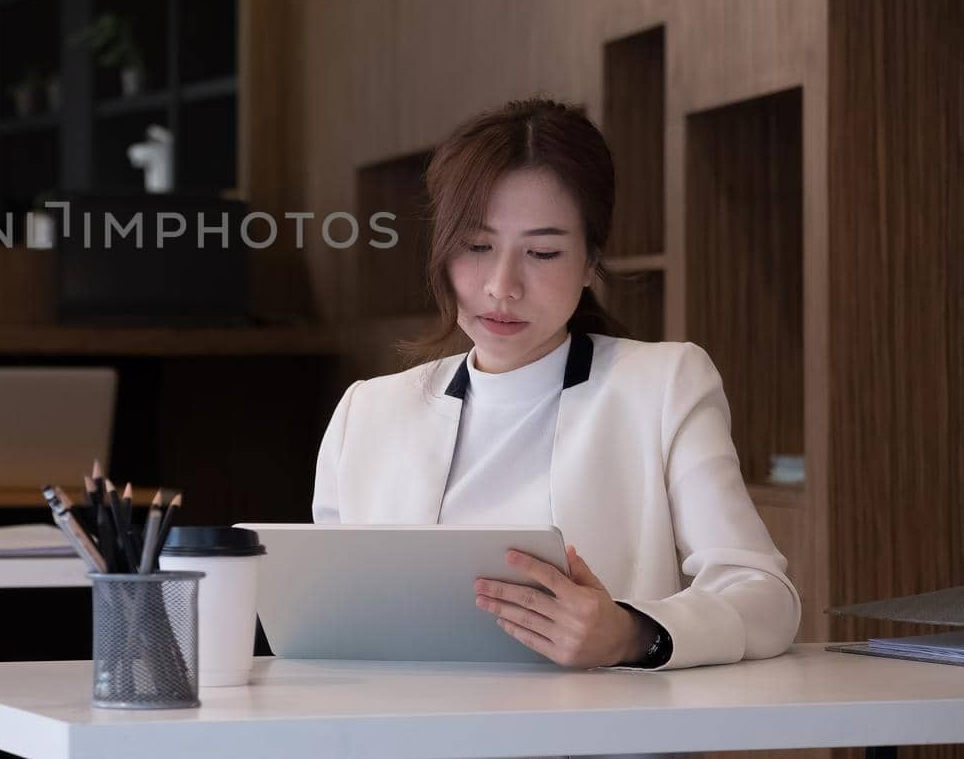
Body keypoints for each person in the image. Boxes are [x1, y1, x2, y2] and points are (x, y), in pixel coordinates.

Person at [312, 98, 800, 670]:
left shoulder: (662, 387)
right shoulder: (367, 413)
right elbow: (330, 625)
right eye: (476, 247)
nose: (502, 286)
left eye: (542, 252)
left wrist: (632, 632)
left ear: (592, 261)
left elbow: (765, 597)